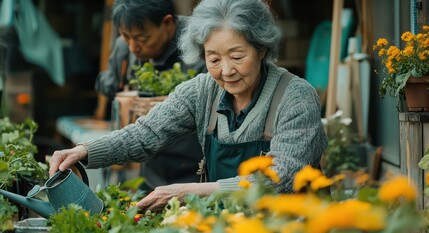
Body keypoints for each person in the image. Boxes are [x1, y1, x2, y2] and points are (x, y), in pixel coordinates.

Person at [49, 0, 328, 211]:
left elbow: (280, 180)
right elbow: (146, 134)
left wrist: (188, 191)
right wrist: (85, 151)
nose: (227, 70)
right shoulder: (202, 90)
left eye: (237, 56)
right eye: (214, 58)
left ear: (262, 48)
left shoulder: (295, 97)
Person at [94, 0, 206, 191]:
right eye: (125, 36)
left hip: (197, 164)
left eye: (143, 38)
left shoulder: (200, 40)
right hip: (149, 161)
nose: (133, 47)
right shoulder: (125, 48)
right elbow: (105, 83)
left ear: (168, 22)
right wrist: (119, 88)